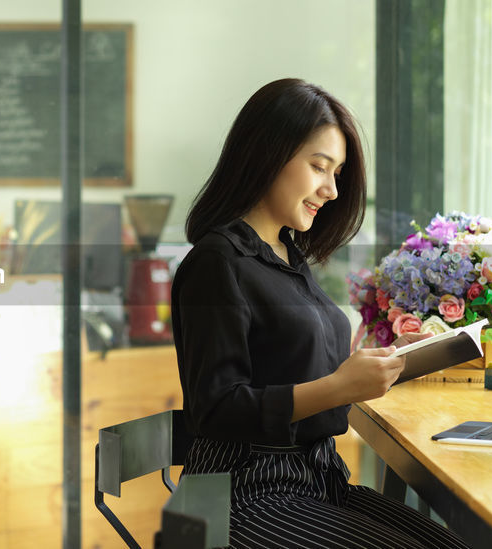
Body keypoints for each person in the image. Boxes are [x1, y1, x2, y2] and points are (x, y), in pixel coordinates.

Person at [172, 78, 470, 548]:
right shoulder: (217, 263)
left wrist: (387, 358)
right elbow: (214, 409)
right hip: (240, 493)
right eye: (319, 167)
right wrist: (338, 387)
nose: (331, 190)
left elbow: (293, 365)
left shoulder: (288, 255)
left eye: (337, 173)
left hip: (317, 477)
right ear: (267, 154)